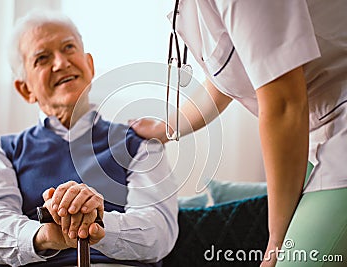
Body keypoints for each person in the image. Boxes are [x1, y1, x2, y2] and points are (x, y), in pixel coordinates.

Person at [131, 0, 347, 266]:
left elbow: (284, 104)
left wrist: (276, 243)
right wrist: (164, 128)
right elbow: (227, 76)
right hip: (318, 130)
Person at [0, 10, 179, 267]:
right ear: (26, 89)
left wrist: (98, 224)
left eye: (68, 48)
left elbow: (160, 234)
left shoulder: (140, 144)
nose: (60, 63)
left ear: (89, 65)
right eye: (42, 58)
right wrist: (46, 236)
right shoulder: (0, 151)